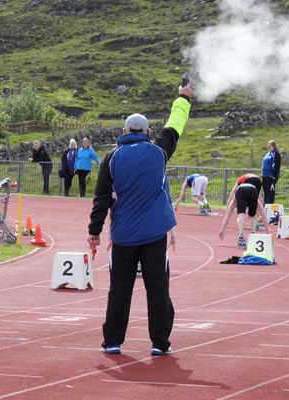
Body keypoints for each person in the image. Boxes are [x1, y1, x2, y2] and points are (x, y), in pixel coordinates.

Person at [87, 84, 193, 356]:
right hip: (154, 235)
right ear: (148, 133)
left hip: (123, 236)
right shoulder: (159, 152)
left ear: (123, 133)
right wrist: (183, 97)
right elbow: (174, 126)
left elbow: (102, 199)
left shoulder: (111, 159)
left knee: (119, 291)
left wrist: (94, 231)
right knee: (158, 289)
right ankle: (159, 344)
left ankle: (113, 341)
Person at [218, 173, 270, 248]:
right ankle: (252, 233)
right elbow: (263, 215)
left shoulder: (234, 199)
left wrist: (222, 230)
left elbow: (227, 216)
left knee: (241, 215)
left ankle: (241, 233)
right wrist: (267, 232)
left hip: (242, 190)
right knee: (253, 215)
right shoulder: (251, 188)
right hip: (255, 187)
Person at [261, 139, 281, 205]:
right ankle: (265, 206)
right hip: (265, 175)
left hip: (271, 176)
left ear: (273, 146)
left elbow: (277, 165)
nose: (268, 148)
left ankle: (270, 206)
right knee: (265, 191)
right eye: (268, 146)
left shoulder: (276, 154)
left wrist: (274, 176)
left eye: (270, 146)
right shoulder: (267, 154)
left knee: (270, 192)